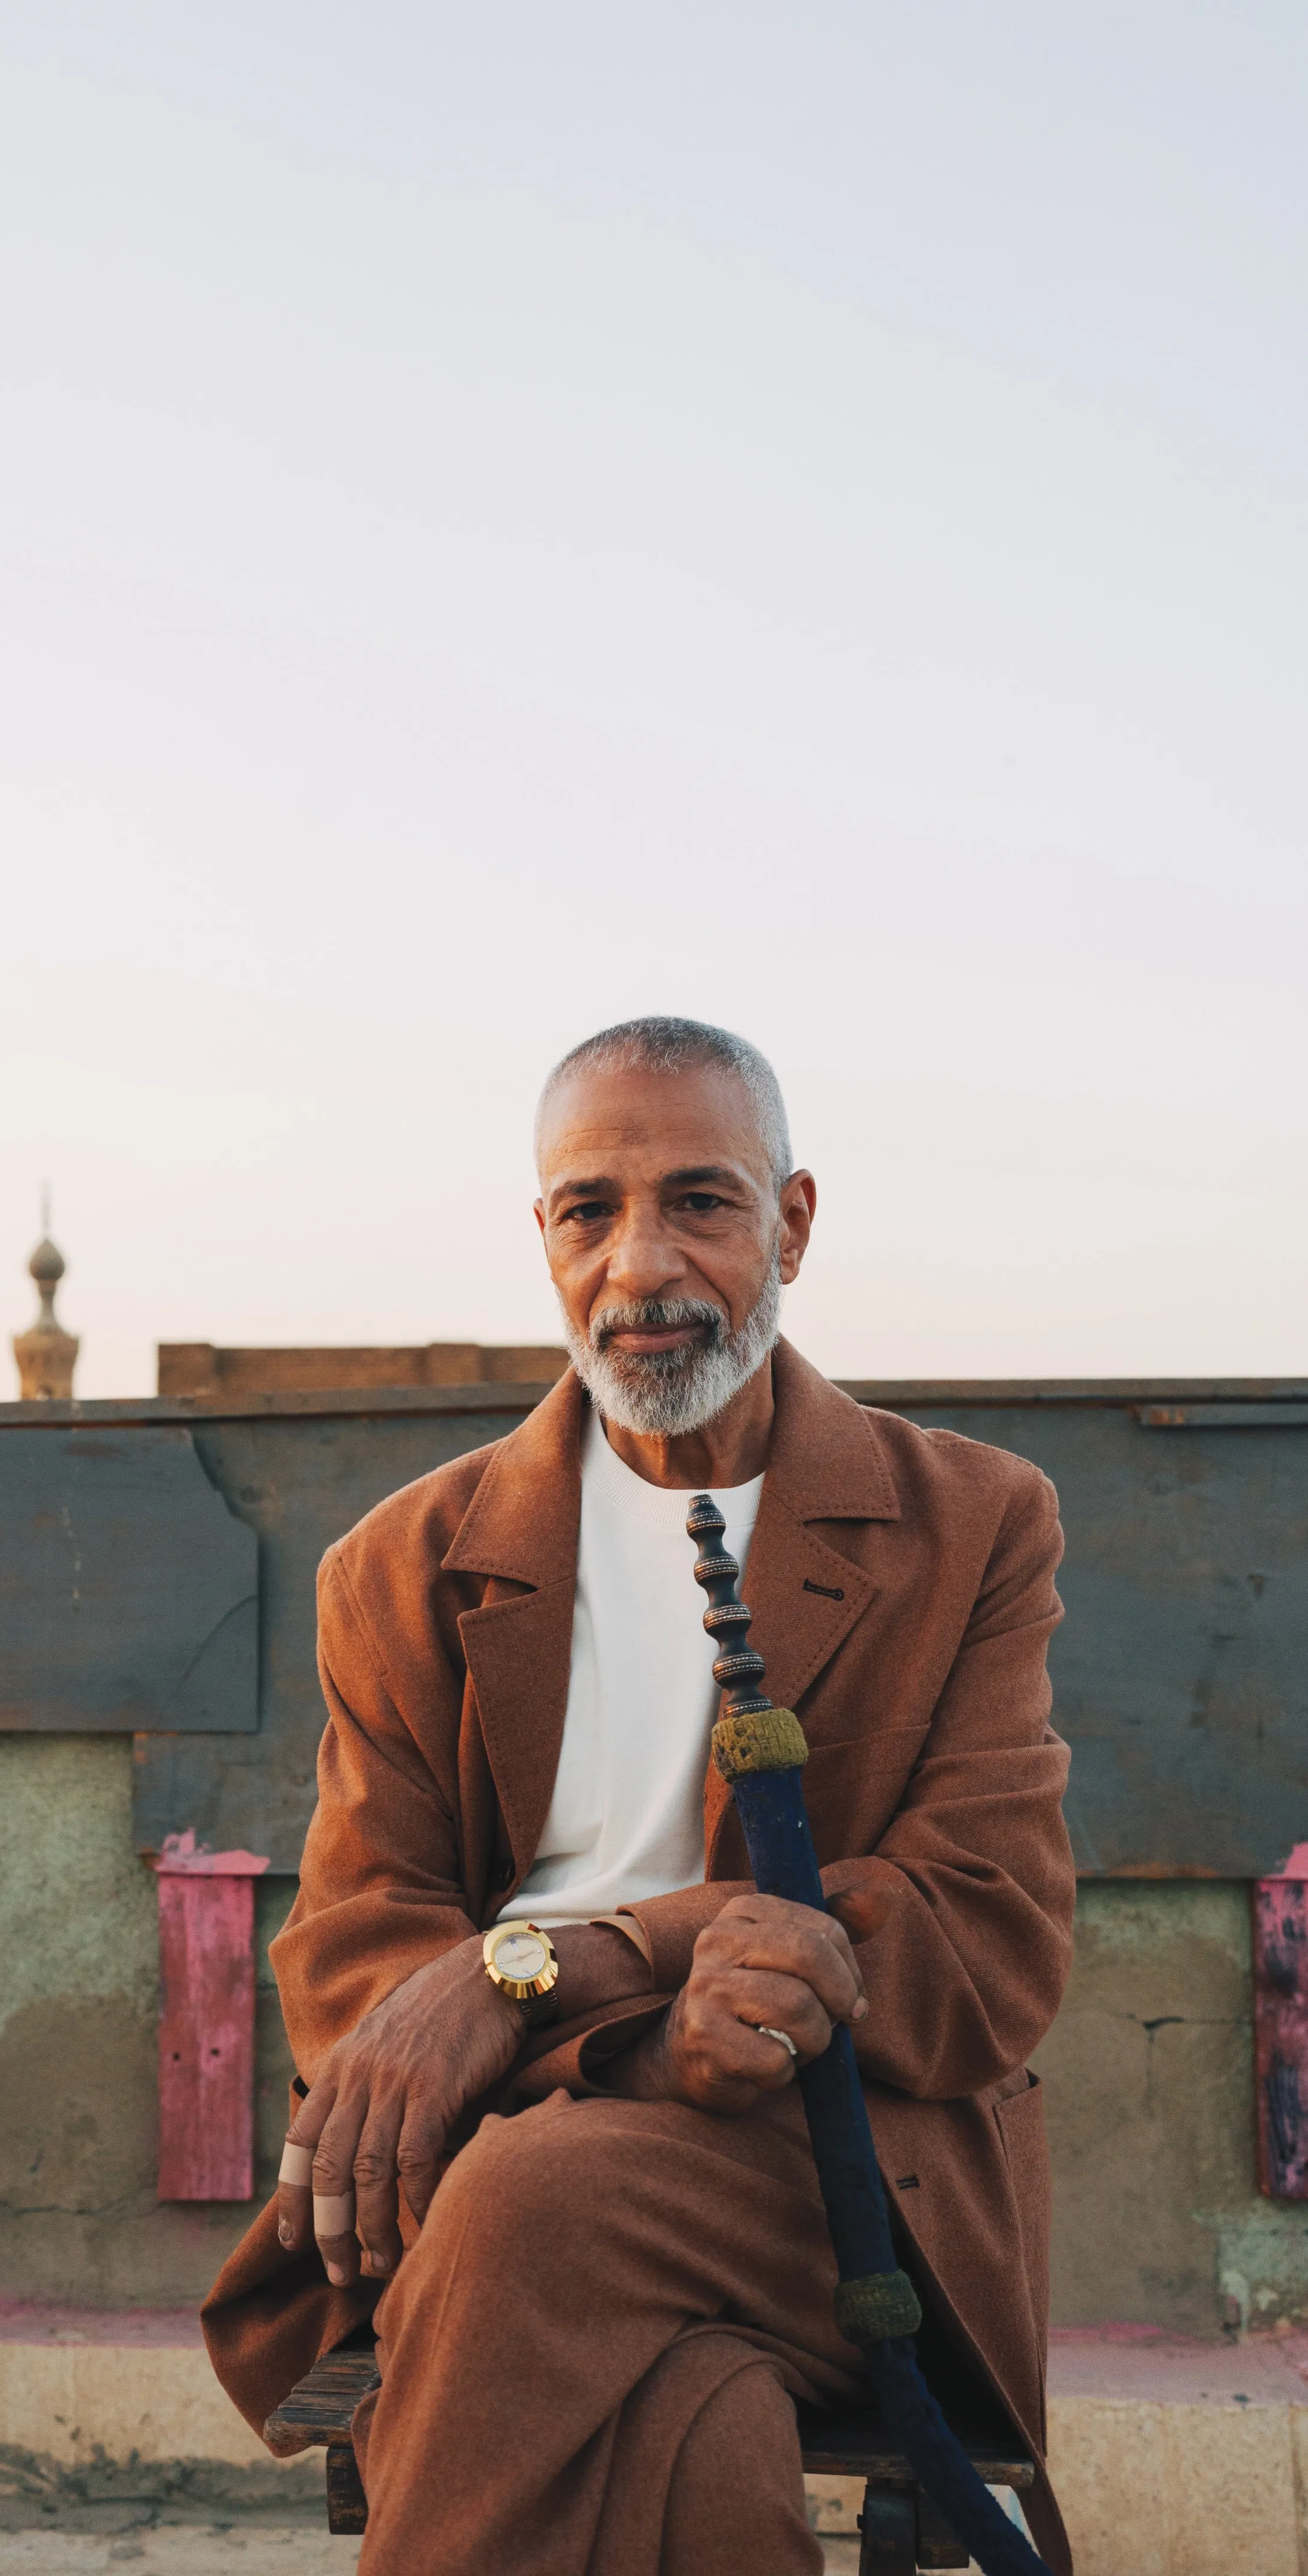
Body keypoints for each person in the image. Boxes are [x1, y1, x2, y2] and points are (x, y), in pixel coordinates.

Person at [204, 1015, 1074, 2575]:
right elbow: (351, 1959)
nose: (639, 1265)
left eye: (700, 1202)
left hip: (831, 2172)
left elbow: (985, 1943)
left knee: (534, 2205)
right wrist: (633, 2035)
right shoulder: (401, 1565)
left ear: (790, 1222)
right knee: (691, 2412)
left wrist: (574, 1956)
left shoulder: (970, 1527)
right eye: (586, 1210)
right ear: (540, 1235)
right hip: (501, 2150)